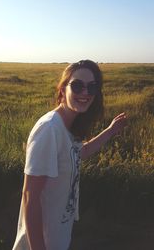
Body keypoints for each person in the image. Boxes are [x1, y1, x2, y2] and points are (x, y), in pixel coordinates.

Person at [12, 60, 127, 250]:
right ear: (63, 88)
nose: (85, 93)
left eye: (92, 87)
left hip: (58, 235)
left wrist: (111, 130)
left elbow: (81, 152)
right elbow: (29, 197)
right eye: (77, 85)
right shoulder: (50, 129)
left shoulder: (67, 127)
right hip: (40, 242)